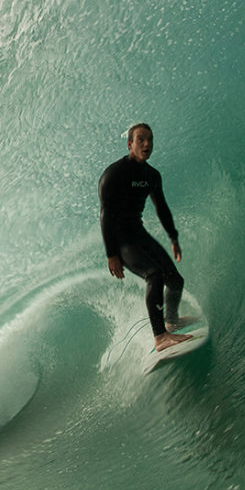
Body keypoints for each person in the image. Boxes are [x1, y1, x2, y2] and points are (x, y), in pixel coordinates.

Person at [99, 123, 191, 351]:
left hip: (138, 234)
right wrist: (112, 255)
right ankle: (160, 336)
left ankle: (171, 320)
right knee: (155, 275)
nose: (147, 144)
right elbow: (105, 216)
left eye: (150, 139)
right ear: (130, 144)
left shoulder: (152, 175)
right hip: (121, 240)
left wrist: (173, 238)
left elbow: (161, 207)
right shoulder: (114, 174)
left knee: (175, 280)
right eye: (141, 140)